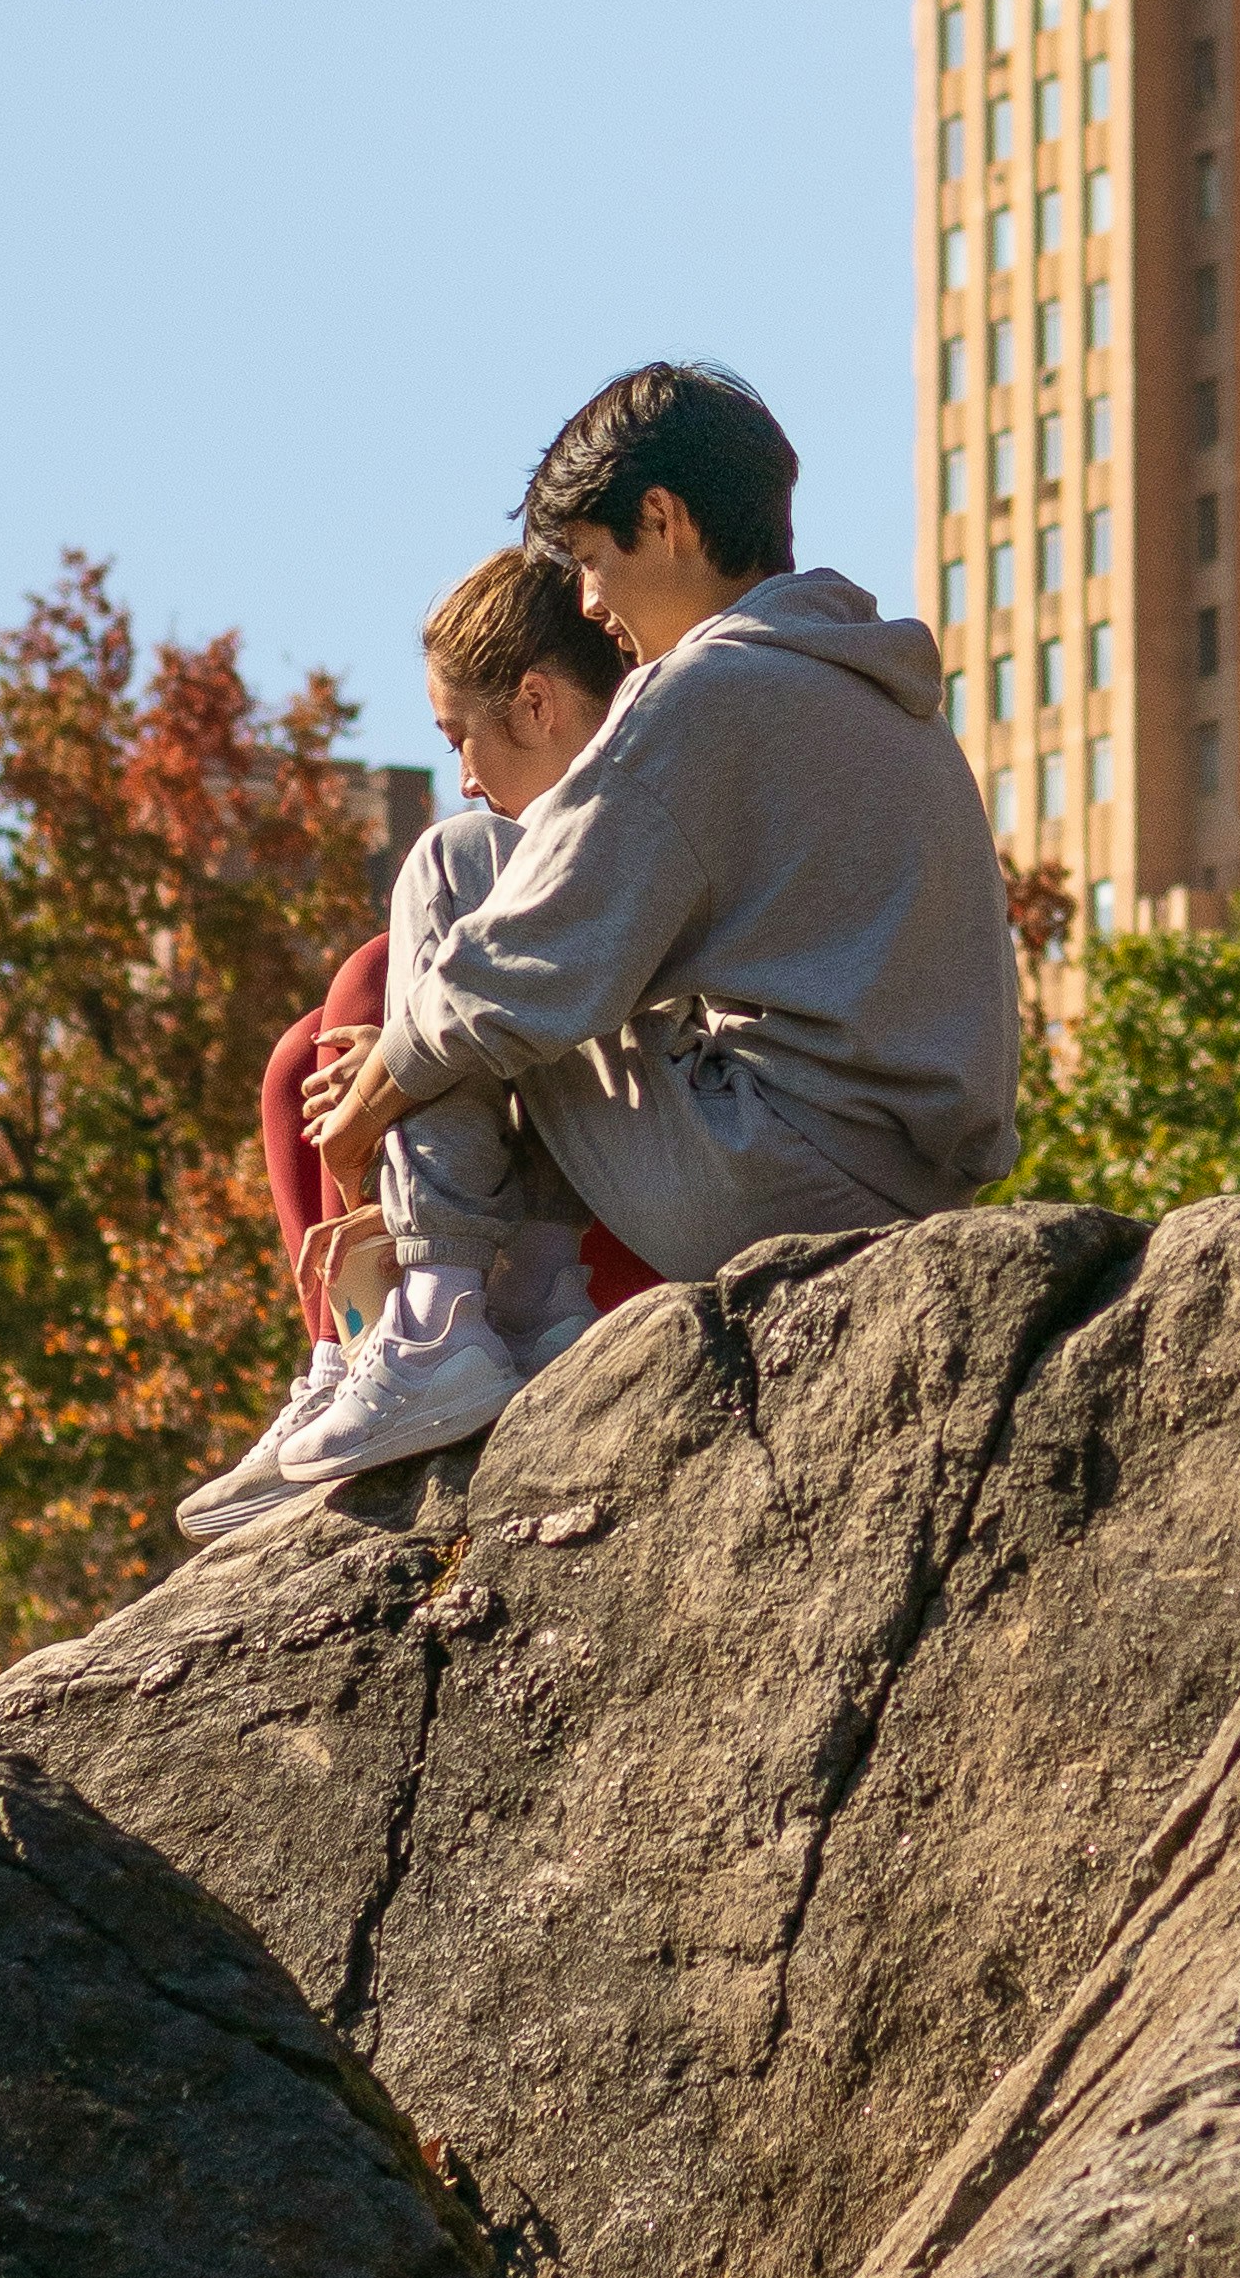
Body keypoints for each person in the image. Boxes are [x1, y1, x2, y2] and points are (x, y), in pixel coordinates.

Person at [280, 357, 1022, 1487]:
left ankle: (434, 1324)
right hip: (901, 1175)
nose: (585, 602)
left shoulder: (703, 693)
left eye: (588, 560)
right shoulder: (867, 684)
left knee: (461, 865)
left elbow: (525, 968)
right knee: (482, 921)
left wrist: (374, 1094)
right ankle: (524, 1313)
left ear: (661, 520)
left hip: (779, 1179)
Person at [186, 546, 638, 1543]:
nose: (467, 778)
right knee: (305, 1050)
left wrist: (388, 1079)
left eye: (461, 742)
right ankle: (344, 1353)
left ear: (536, 705)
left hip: (626, 1216)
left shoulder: (637, 810)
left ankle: (430, 1327)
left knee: (385, 965)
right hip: (584, 1174)